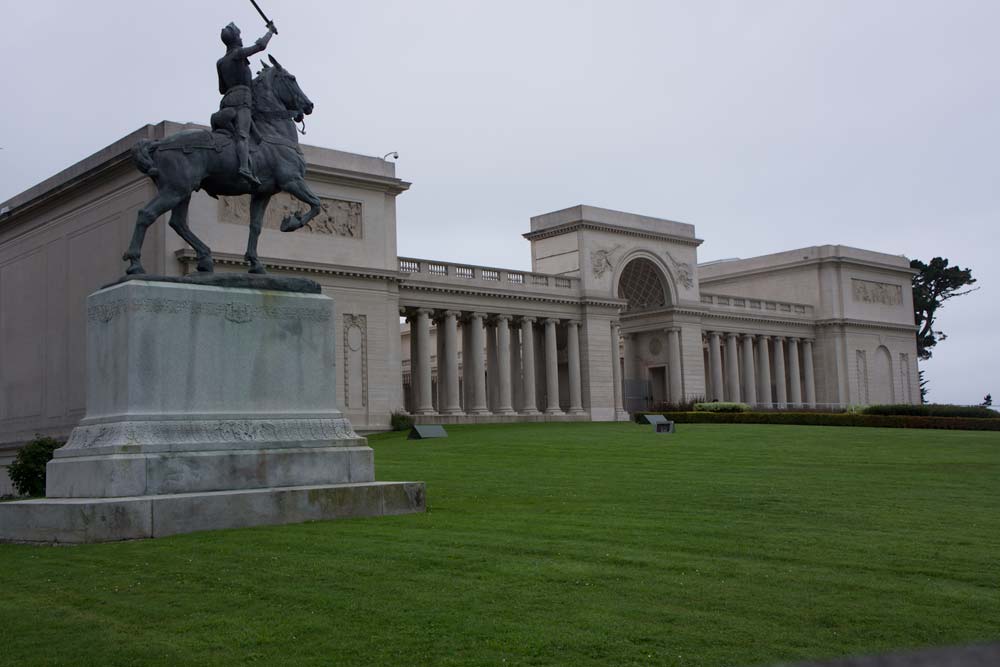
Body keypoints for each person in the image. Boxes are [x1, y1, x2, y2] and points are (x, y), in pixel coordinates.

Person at [217, 21, 276, 185]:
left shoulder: (221, 62)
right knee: (242, 134)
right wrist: (270, 31)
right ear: (236, 38)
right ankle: (244, 167)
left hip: (226, 100)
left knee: (251, 133)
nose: (241, 38)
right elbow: (261, 46)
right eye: (240, 35)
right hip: (242, 98)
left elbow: (222, 88)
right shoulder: (238, 54)